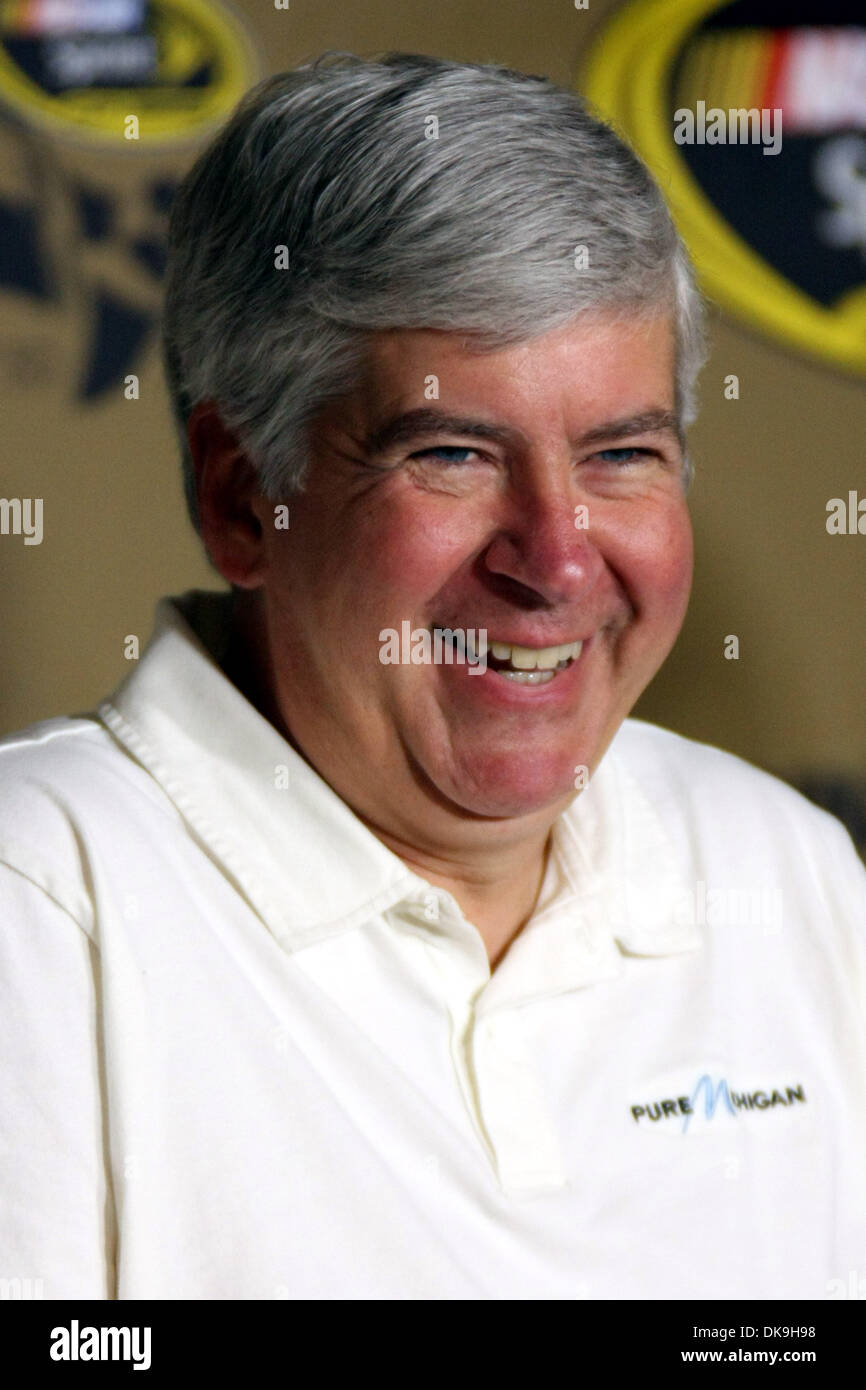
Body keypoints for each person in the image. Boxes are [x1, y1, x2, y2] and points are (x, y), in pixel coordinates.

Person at [1, 52, 864, 1301]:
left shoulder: (784, 872)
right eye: (453, 453)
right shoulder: (40, 907)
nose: (558, 558)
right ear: (242, 497)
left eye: (621, 454)